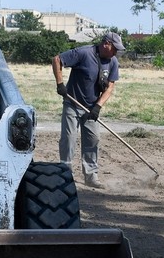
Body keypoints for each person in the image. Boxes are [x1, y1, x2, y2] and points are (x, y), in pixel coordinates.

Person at [52, 31, 123, 188]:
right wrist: (60, 84)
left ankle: (91, 176)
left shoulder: (113, 62)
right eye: (115, 48)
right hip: (72, 104)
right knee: (69, 139)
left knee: (93, 139)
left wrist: (98, 106)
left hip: (91, 108)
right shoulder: (83, 53)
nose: (116, 52)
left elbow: (110, 87)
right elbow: (57, 60)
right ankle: (65, 174)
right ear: (106, 44)